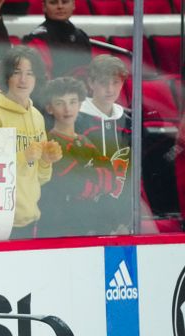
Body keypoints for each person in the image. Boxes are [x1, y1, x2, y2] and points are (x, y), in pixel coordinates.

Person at [0, 46, 62, 239]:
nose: (23, 80)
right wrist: (23, 156)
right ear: (6, 76)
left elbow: (40, 177)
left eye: (30, 73)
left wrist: (45, 160)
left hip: (29, 219)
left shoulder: (36, 116)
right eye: (17, 73)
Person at [37, 77, 117, 237]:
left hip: (89, 224)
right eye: (60, 103)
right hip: (60, 227)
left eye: (73, 102)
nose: (68, 109)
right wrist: (95, 180)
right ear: (50, 108)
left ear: (80, 105)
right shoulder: (50, 143)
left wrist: (87, 176)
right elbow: (75, 186)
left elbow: (112, 180)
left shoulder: (85, 141)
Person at [76, 55, 131, 232]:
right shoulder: (76, 117)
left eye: (115, 82)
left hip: (121, 214)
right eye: (104, 83)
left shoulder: (128, 120)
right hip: (84, 216)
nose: (110, 89)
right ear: (91, 83)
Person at [22, 0, 91, 79]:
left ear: (73, 5)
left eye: (65, 2)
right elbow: (41, 79)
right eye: (53, 2)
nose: (60, 7)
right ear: (44, 7)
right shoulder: (37, 39)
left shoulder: (81, 36)